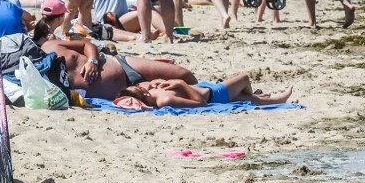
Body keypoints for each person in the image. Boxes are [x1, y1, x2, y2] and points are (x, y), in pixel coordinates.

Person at [38, 39, 197, 99]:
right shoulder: (34, 78)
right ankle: (207, 95)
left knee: (183, 74)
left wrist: (92, 61)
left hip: (122, 66)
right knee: (178, 94)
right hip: (126, 93)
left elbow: (88, 44)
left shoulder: (50, 46)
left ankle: (206, 89)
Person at [119, 74, 293, 107]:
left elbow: (153, 81)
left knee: (248, 100)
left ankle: (277, 100)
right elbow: (200, 103)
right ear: (145, 96)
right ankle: (253, 94)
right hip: (214, 95)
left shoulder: (150, 90)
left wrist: (158, 82)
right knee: (245, 79)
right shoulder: (164, 101)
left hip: (204, 88)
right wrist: (180, 83)